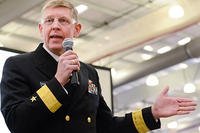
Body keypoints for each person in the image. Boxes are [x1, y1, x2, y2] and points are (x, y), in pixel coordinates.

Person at [0, 0, 197, 133]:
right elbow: (16, 122)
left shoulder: (88, 72)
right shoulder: (18, 65)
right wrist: (57, 83)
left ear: (76, 30)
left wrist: (151, 113)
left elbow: (107, 126)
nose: (55, 26)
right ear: (41, 29)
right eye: (49, 21)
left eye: (63, 21)